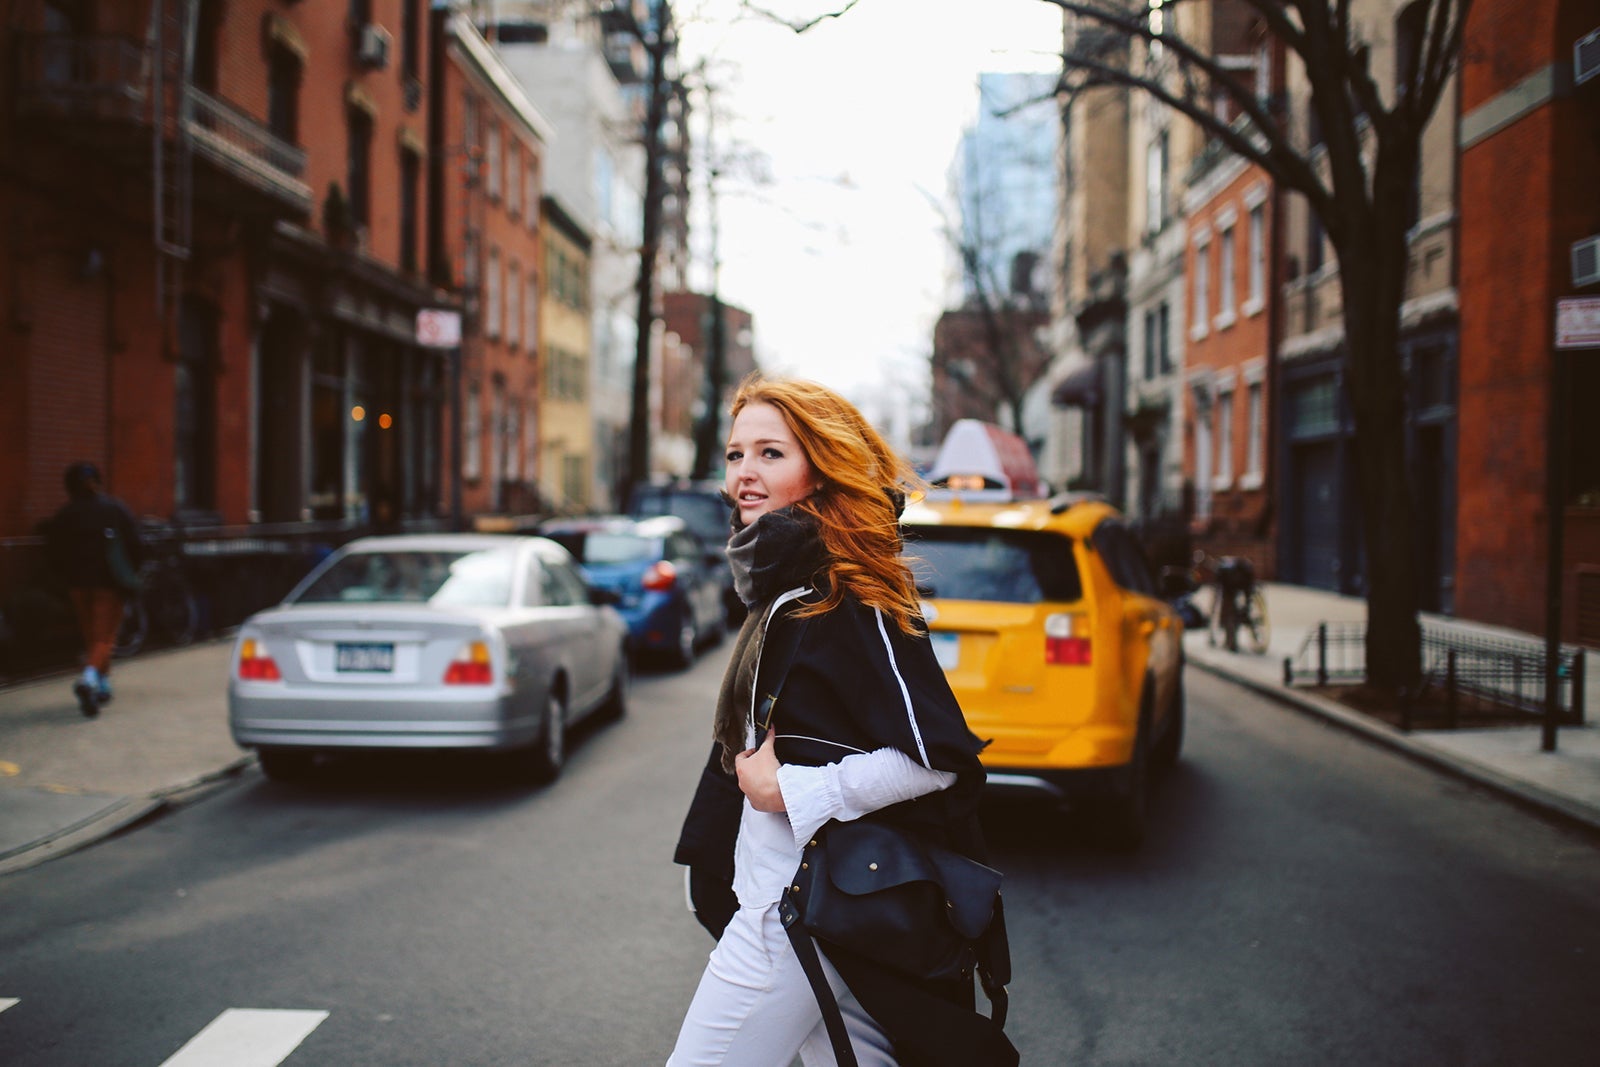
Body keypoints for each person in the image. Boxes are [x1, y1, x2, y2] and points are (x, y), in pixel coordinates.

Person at [668, 376, 1015, 1067]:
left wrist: (792, 791)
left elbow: (937, 756)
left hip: (796, 911)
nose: (744, 473)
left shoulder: (843, 593)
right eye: (736, 455)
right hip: (800, 907)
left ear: (819, 470)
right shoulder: (785, 588)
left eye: (771, 453)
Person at [43, 462, 145, 716]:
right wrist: (132, 572)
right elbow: (136, 544)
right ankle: (88, 680)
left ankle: (102, 686)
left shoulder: (65, 514)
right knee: (105, 638)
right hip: (109, 585)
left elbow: (52, 552)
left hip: (77, 585)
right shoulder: (114, 509)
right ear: (97, 482)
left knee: (92, 638)